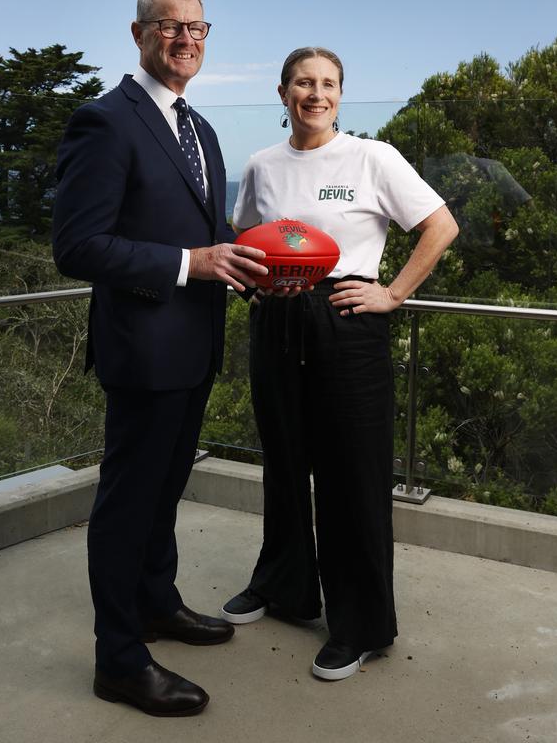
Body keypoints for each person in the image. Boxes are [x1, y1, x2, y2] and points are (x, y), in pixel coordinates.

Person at [52, 0, 267, 717]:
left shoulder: (200, 129)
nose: (185, 40)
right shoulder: (105, 121)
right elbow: (77, 247)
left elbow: (209, 232)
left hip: (196, 346)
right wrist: (190, 265)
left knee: (164, 493)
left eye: (198, 28)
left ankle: (156, 604)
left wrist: (264, 260)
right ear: (138, 34)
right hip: (142, 350)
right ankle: (118, 659)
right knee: (126, 505)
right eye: (169, 27)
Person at [221, 46, 458, 681]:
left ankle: (359, 625)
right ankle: (285, 588)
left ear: (340, 95)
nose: (315, 93)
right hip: (276, 319)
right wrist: (250, 284)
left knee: (352, 476)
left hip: (349, 321)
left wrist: (393, 293)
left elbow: (441, 225)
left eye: (327, 84)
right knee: (284, 461)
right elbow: (244, 238)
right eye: (303, 82)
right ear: (282, 92)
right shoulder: (261, 165)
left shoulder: (372, 156)